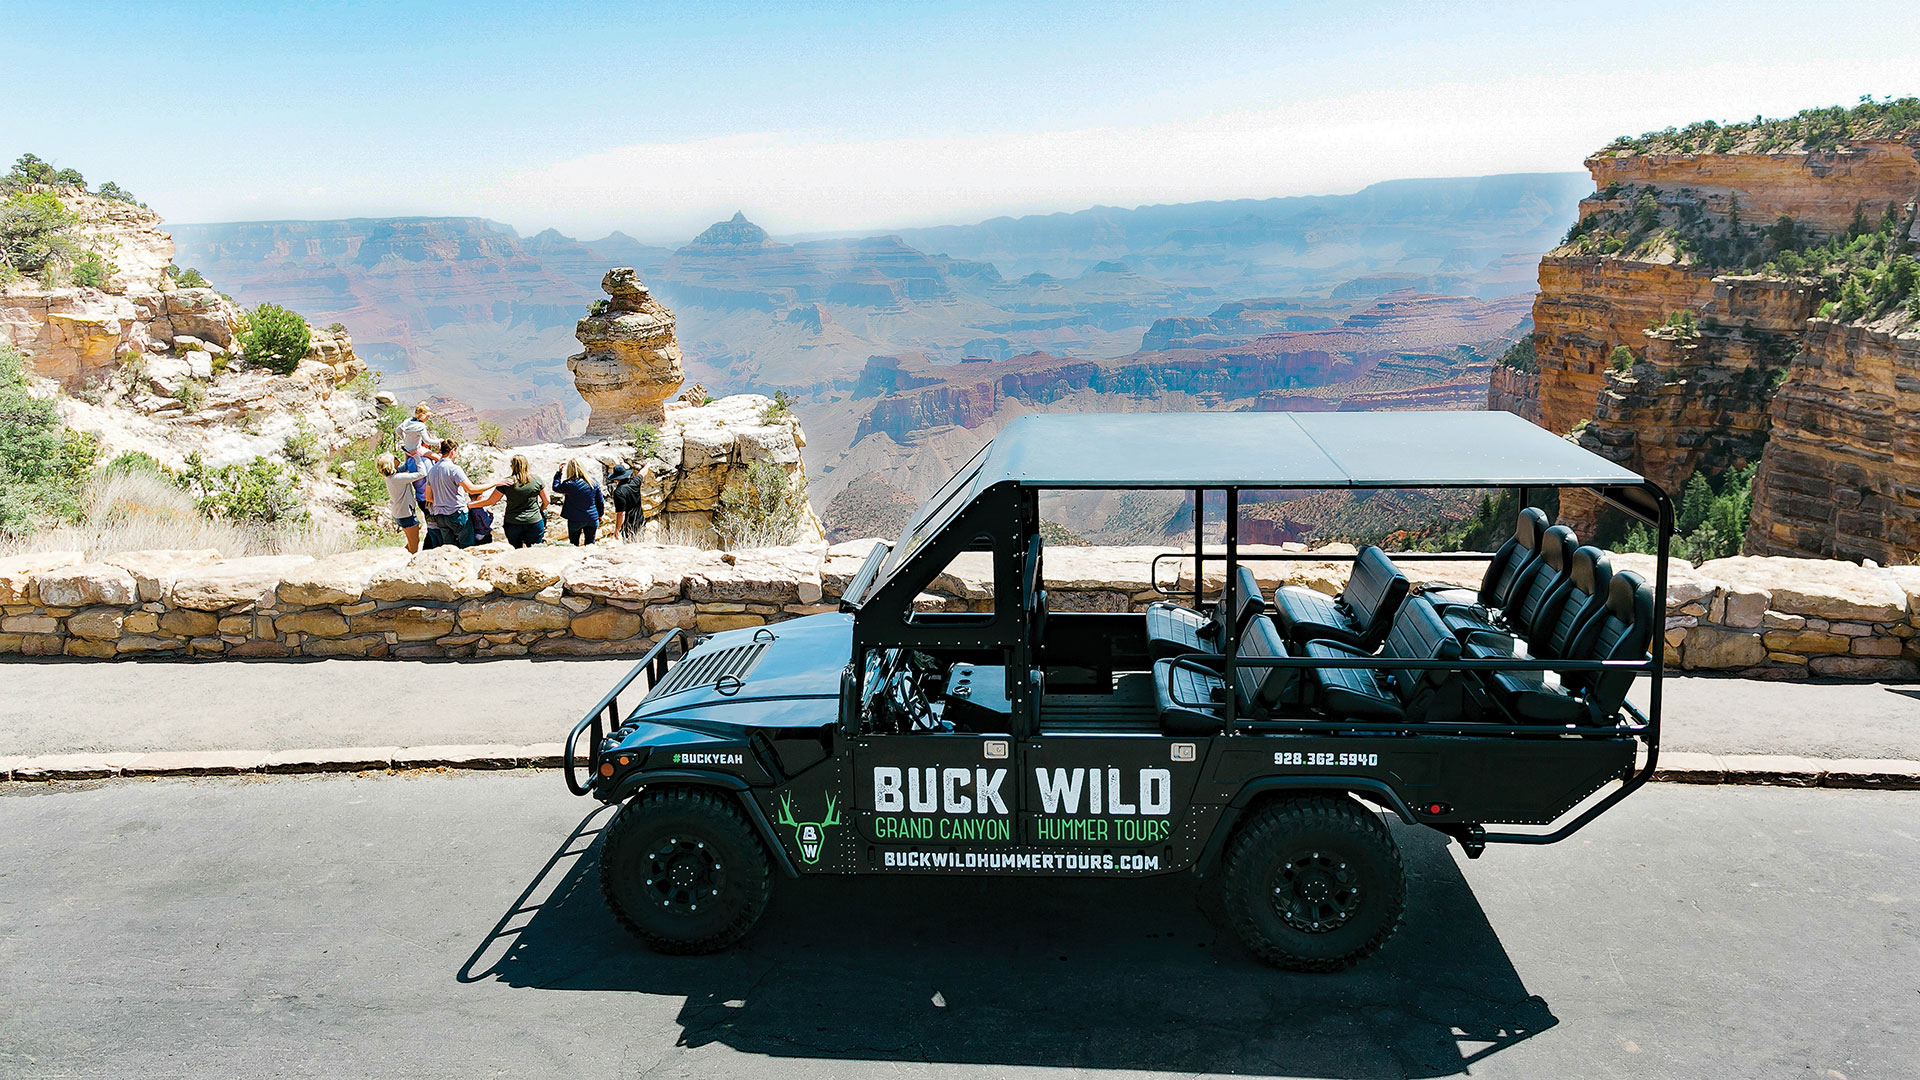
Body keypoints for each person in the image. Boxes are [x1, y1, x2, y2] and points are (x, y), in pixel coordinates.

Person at [423, 437, 489, 548]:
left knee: (448, 548)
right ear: (452, 451)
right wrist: (495, 484)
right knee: (466, 545)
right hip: (457, 513)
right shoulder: (454, 469)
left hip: (440, 515)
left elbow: (428, 497)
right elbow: (471, 489)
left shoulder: (432, 470)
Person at [495, 454, 550, 548]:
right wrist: (541, 510)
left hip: (513, 522)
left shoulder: (506, 482)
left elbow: (491, 501)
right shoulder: (536, 480)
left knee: (516, 550)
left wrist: (472, 505)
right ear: (527, 465)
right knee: (535, 550)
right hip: (534, 521)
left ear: (512, 466)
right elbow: (547, 501)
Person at [376, 453, 425, 553]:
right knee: (414, 545)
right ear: (392, 463)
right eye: (395, 458)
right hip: (406, 515)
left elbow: (405, 467)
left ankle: (400, 557)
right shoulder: (398, 478)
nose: (397, 458)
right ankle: (410, 564)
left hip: (399, 514)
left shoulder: (391, 477)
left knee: (412, 542)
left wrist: (407, 454)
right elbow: (422, 474)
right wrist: (416, 457)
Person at [552, 457, 605, 546]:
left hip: (575, 519)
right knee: (590, 544)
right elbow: (600, 501)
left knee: (573, 544)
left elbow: (556, 487)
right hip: (592, 517)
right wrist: (600, 515)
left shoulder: (568, 484)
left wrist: (559, 473)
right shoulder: (593, 482)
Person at [396, 402, 439, 506]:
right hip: (417, 450)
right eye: (427, 417)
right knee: (434, 457)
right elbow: (427, 441)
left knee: (407, 464)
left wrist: (404, 438)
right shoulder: (420, 426)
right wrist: (438, 442)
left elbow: (398, 430)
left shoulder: (407, 421)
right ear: (421, 415)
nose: (427, 419)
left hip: (407, 449)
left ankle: (397, 470)